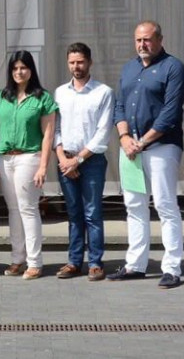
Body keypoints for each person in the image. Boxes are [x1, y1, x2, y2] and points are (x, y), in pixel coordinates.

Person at [108, 21, 184, 289]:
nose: (143, 44)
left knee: (165, 205)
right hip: (130, 148)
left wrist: (141, 142)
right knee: (134, 206)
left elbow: (170, 113)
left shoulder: (173, 68)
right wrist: (123, 137)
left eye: (148, 39)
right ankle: (136, 264)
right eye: (138, 40)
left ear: (160, 39)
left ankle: (171, 268)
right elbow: (119, 105)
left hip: (160, 147)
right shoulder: (129, 68)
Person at [0, 51, 57, 280]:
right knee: (13, 210)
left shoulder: (42, 98)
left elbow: (48, 135)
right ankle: (17, 258)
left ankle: (35, 262)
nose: (19, 72)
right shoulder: (2, 97)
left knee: (28, 209)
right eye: (15, 68)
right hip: (5, 158)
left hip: (29, 157)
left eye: (24, 68)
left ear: (31, 70)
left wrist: (43, 166)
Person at [54, 42, 114, 281]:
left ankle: (96, 262)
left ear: (89, 62)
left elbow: (102, 133)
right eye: (72, 62)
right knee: (74, 213)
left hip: (91, 161)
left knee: (92, 212)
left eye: (80, 62)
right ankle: (74, 261)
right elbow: (55, 127)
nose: (76, 67)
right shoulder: (60, 92)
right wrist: (62, 158)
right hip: (65, 160)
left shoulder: (103, 92)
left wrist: (77, 160)